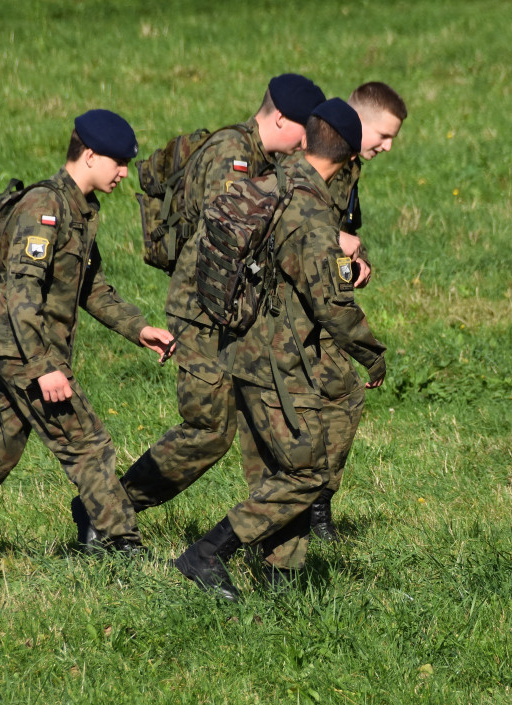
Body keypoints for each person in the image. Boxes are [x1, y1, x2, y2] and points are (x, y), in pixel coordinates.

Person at [0, 110, 174, 571]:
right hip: (25, 351)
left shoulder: (79, 210)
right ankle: (123, 545)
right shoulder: (45, 210)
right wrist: (43, 367)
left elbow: (91, 286)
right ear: (89, 155)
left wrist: (138, 328)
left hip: (22, 350)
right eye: (119, 162)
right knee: (88, 444)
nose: (126, 173)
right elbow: (20, 293)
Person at [70, 74, 326, 547]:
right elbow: (229, 243)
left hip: (229, 309)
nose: (310, 143)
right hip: (203, 311)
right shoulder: (234, 156)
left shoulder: (258, 155)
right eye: (306, 131)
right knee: (209, 429)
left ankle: (275, 540)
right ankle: (104, 506)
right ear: (282, 119)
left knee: (255, 421)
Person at [173, 98, 386, 601]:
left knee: (275, 470)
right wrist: (372, 353)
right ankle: (207, 553)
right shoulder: (311, 214)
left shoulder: (271, 181)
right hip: (278, 362)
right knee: (306, 475)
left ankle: (279, 584)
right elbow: (332, 304)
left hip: (239, 345)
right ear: (349, 158)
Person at [308, 82, 407, 542]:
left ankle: (312, 508)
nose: (387, 147)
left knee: (341, 399)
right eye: (383, 136)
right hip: (286, 304)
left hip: (318, 298)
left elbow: (346, 230)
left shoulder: (351, 168)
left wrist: (356, 259)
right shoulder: (313, 155)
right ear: (356, 121)